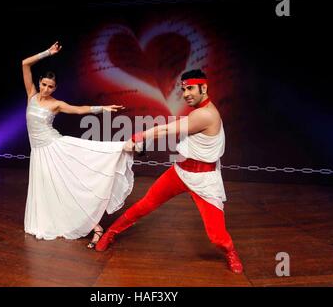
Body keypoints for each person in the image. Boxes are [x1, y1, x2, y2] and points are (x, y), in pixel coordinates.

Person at [95, 69, 243, 274]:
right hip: (180, 171)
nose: (186, 94)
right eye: (183, 90)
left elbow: (165, 130)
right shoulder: (199, 110)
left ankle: (230, 252)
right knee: (144, 205)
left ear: (204, 87)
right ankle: (110, 233)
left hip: (204, 180)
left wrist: (139, 136)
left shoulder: (206, 114)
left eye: (190, 88)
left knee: (217, 236)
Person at [22, 41, 136, 248]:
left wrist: (102, 108)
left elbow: (79, 109)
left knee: (70, 184)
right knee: (55, 189)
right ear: (39, 82)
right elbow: (24, 64)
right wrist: (48, 52)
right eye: (44, 84)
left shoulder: (56, 104)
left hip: (54, 147)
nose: (46, 89)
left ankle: (95, 225)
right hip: (38, 152)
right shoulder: (31, 94)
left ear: (55, 88)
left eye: (50, 86)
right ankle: (93, 226)